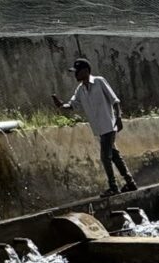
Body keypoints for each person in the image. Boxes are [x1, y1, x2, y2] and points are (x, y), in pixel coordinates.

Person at [52, 57, 137, 194]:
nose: (75, 75)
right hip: (99, 129)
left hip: (109, 125)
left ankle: (113, 187)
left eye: (78, 71)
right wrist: (62, 105)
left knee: (105, 157)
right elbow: (72, 105)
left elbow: (115, 100)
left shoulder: (99, 81)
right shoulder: (80, 90)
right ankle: (130, 182)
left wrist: (119, 118)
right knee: (114, 155)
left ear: (86, 71)